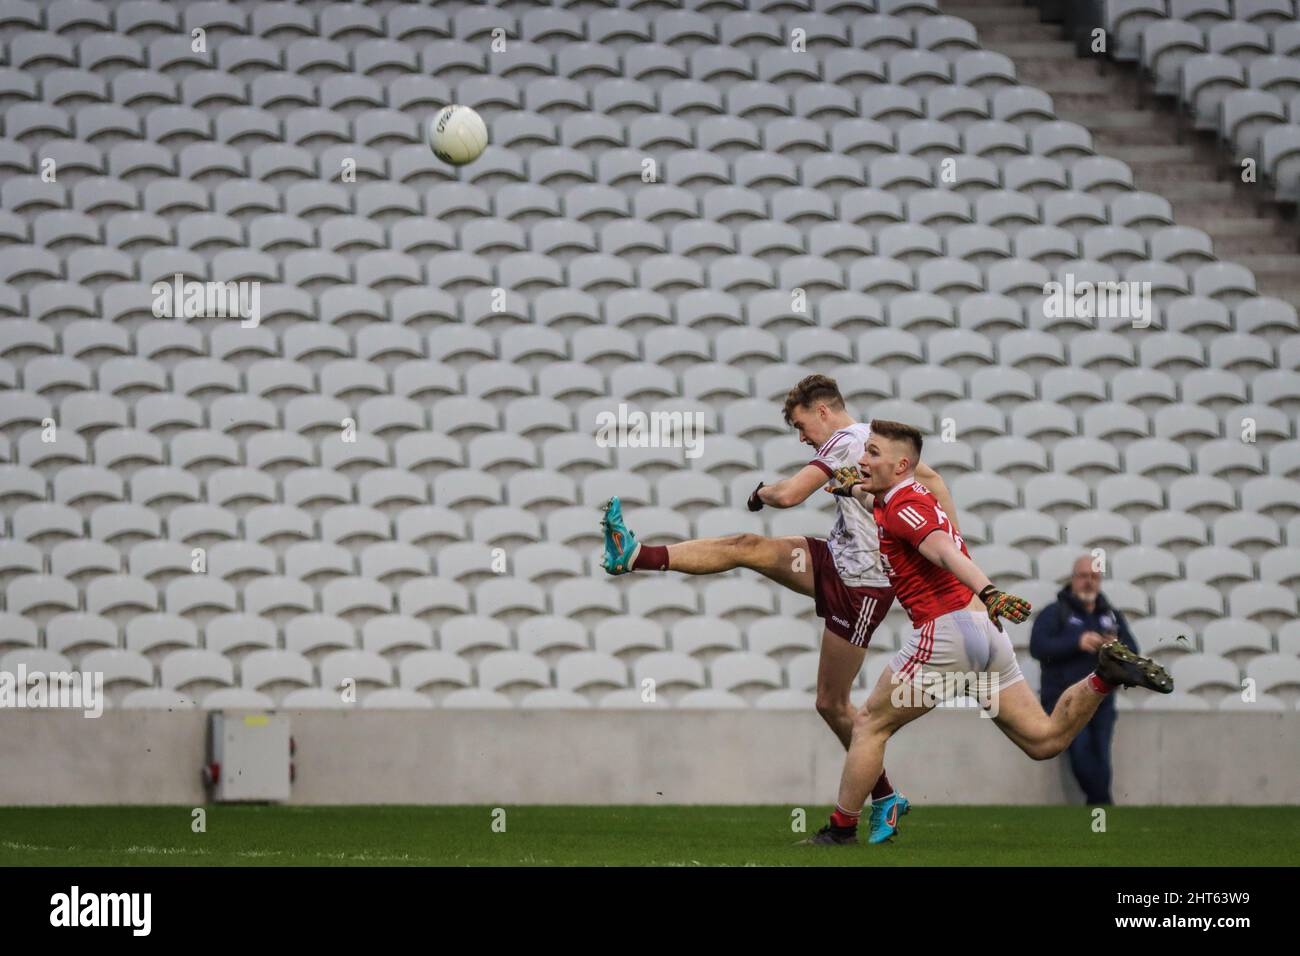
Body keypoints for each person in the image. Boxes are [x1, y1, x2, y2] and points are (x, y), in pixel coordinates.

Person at [599, 374, 959, 842]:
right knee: (746, 545)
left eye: (800, 424)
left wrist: (760, 492)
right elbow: (932, 479)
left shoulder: (848, 440)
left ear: (823, 410)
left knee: (831, 702)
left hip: (864, 588)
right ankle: (636, 555)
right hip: (836, 560)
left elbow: (789, 496)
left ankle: (882, 799)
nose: (803, 435)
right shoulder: (874, 443)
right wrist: (953, 539)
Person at [806, 420, 1174, 846]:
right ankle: (1104, 676)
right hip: (982, 631)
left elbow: (942, 548)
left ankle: (840, 831)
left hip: (947, 630)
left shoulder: (906, 506)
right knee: (1044, 740)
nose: (862, 459)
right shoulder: (897, 497)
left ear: (902, 464)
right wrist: (849, 489)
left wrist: (989, 589)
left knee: (869, 724)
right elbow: (884, 509)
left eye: (872, 453)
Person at [1029, 556, 1139, 805]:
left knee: (1101, 754)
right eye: (1083, 576)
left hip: (1102, 700)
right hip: (1065, 700)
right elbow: (1038, 647)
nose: (1088, 582)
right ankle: (1102, 803)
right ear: (1072, 578)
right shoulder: (1055, 612)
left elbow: (1133, 651)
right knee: (1080, 751)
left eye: (1094, 577)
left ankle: (1098, 805)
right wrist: (1077, 642)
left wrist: (1115, 648)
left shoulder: (1111, 615)